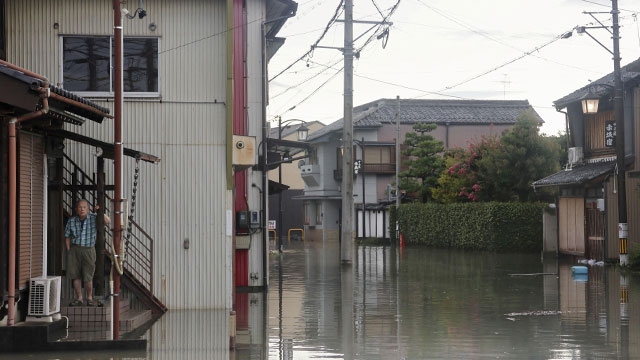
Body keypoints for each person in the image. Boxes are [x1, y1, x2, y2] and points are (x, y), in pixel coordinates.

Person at [65, 199, 110, 306]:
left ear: (88, 209)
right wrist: (69, 250)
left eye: (84, 207)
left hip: (89, 249)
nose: (82, 209)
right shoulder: (71, 221)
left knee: (88, 275)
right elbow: (67, 236)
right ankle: (79, 298)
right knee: (75, 275)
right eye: (80, 207)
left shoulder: (94, 218)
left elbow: (107, 221)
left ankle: (89, 298)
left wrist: (99, 212)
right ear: (76, 209)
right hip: (75, 249)